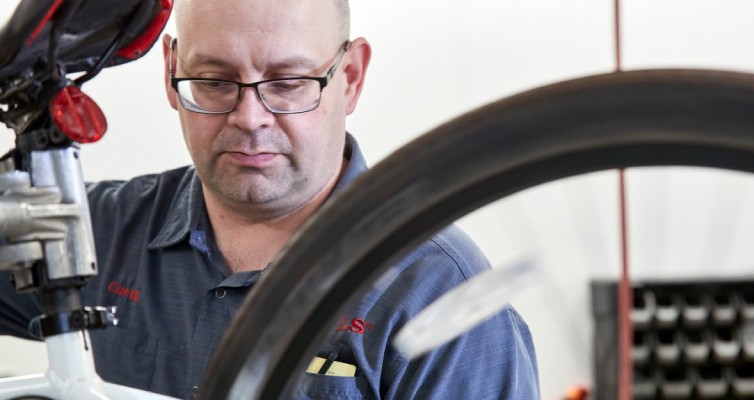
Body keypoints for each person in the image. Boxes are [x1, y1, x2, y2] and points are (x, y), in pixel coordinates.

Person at [0, 0, 540, 398]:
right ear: (171, 72)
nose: (249, 117)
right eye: (213, 80)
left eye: (287, 82)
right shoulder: (99, 229)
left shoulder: (438, 294)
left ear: (349, 79)